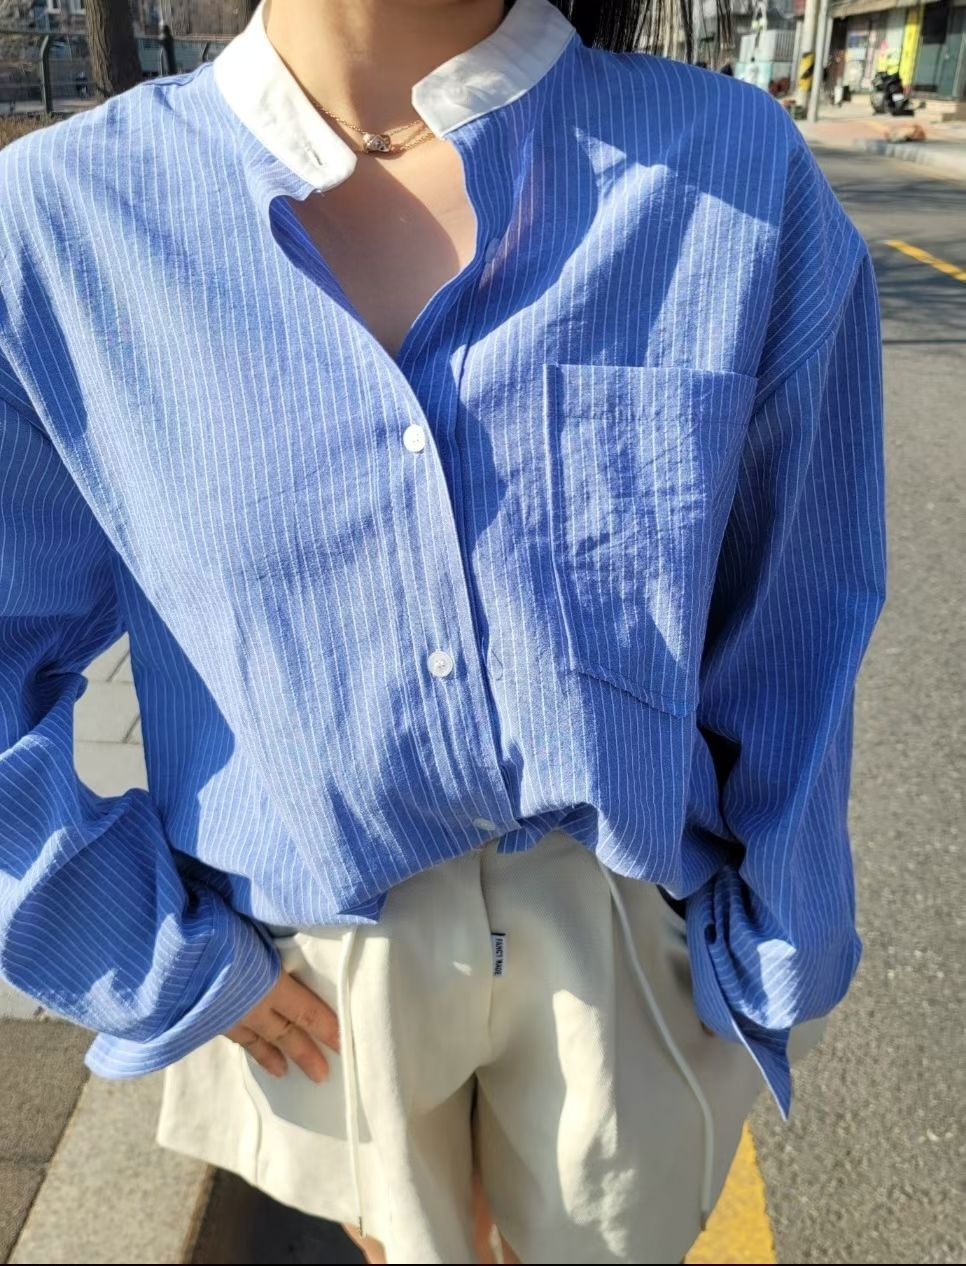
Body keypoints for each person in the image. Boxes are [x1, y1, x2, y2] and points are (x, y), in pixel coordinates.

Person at [0, 0, 886, 1262]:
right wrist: (134, 949)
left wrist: (778, 944)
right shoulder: (65, 222)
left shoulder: (730, 170)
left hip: (628, 933)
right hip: (308, 951)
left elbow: (799, 613)